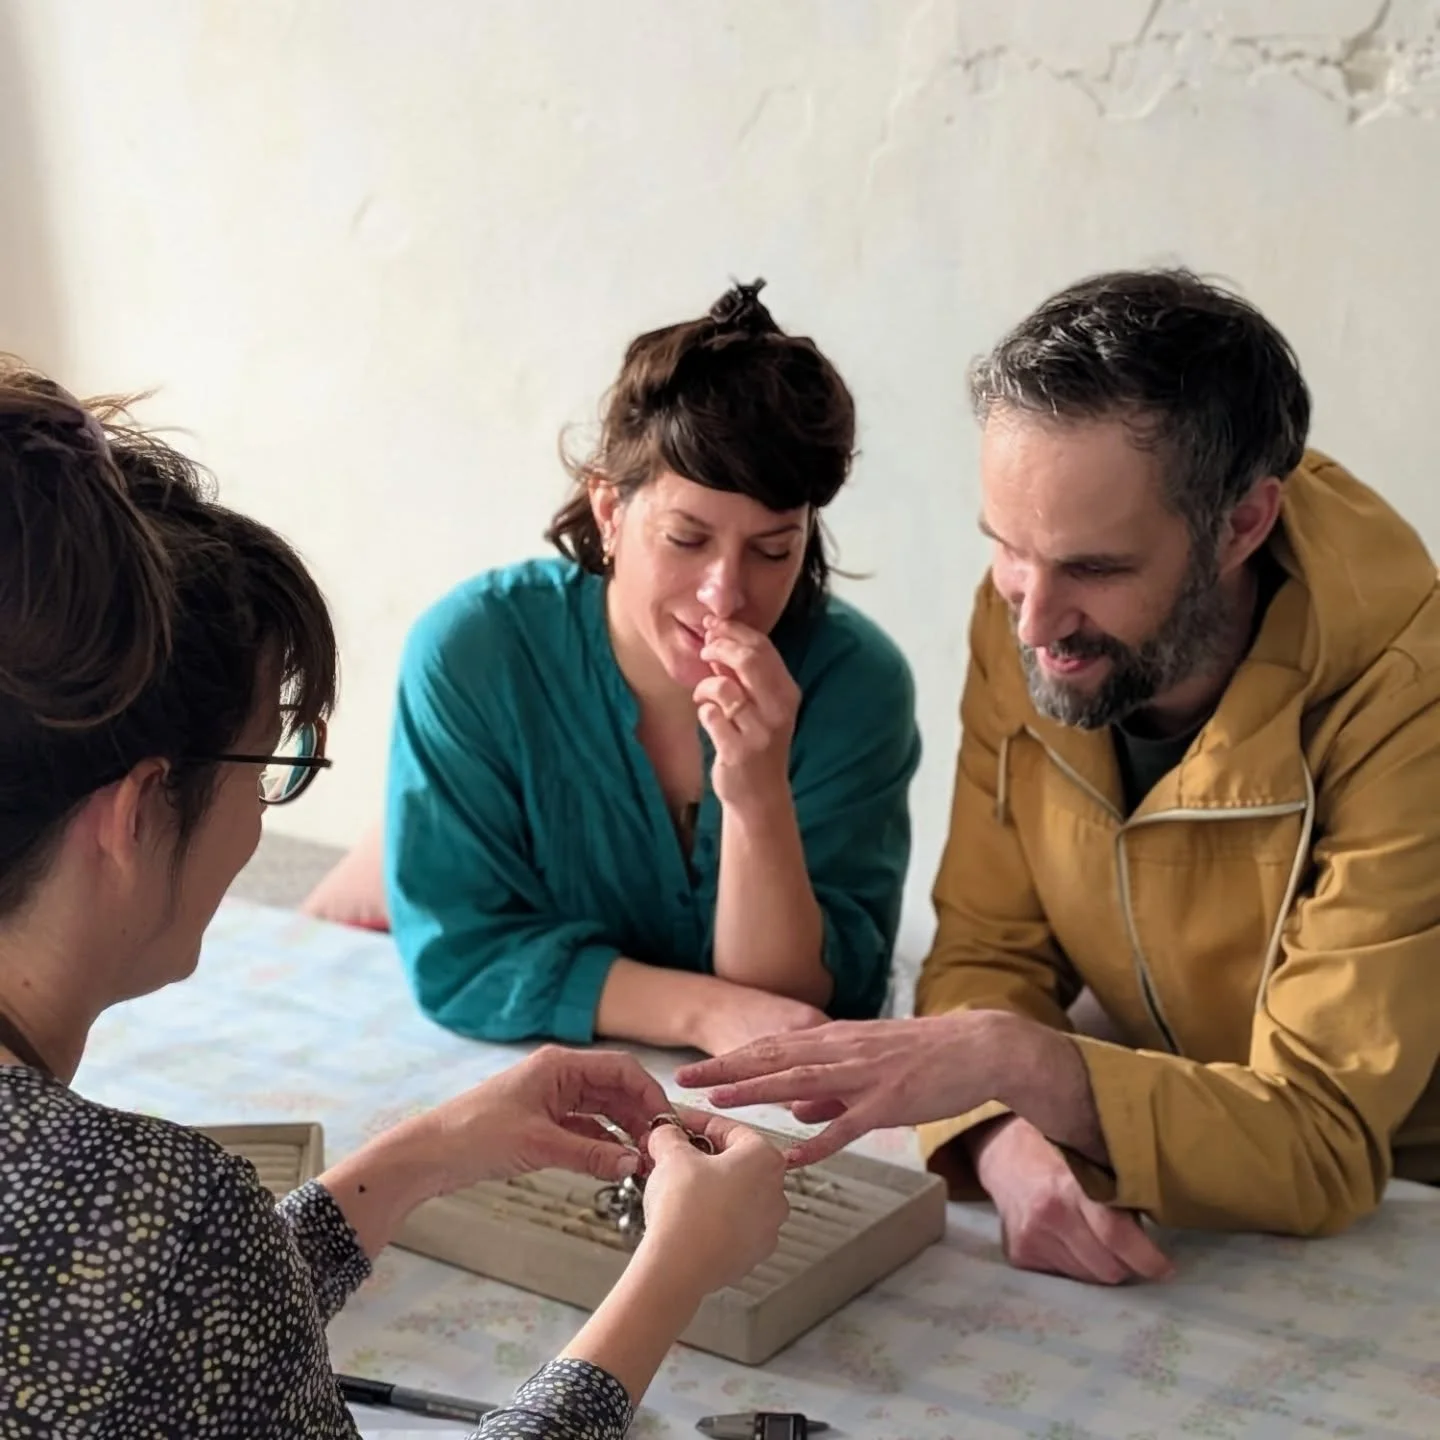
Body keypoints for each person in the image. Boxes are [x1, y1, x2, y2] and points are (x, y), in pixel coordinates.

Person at [0, 362, 789, 1439]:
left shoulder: (147, 1245)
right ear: (137, 812)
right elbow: (182, 1291)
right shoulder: (163, 1219)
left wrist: (429, 1153)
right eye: (265, 761)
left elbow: (178, 1335)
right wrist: (672, 1277)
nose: (263, 819)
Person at [678, 268, 1440, 1286]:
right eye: (1008, 550)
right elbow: (989, 955)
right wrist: (1006, 1139)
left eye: (1096, 569)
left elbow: (1324, 1138)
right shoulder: (1031, 617)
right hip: (1163, 1151)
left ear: (1243, 525)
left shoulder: (1409, 696)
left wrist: (1023, 1063)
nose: (1032, 621)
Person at [378, 279, 921, 1055]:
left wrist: (757, 791)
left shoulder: (857, 686)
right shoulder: (475, 653)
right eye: (687, 539)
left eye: (774, 551)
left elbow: (797, 1009)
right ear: (609, 510)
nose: (725, 595)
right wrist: (698, 1011)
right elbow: (460, 954)